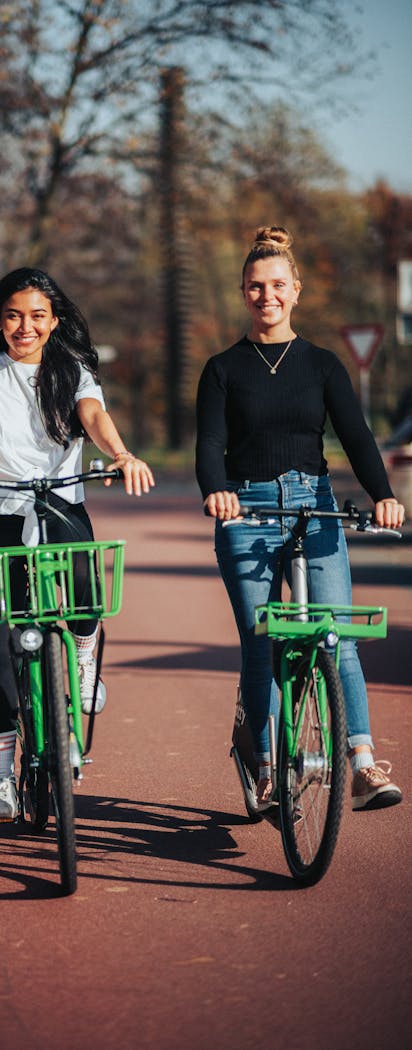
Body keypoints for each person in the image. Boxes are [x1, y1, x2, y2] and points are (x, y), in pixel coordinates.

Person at [0, 267, 154, 821]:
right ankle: (3, 779)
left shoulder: (71, 367)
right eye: (13, 316)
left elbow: (93, 415)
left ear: (54, 322)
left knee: (85, 593)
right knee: (1, 645)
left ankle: (82, 663)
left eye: (36, 316)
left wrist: (122, 454)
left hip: (61, 504)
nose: (23, 327)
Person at [195, 225, 404, 813]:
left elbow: (357, 438)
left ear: (297, 290)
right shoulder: (222, 369)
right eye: (256, 287)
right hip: (246, 510)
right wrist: (218, 492)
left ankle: (361, 764)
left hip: (314, 507)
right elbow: (210, 442)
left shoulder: (323, 364)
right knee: (262, 645)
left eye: (278, 285)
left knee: (336, 638)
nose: (268, 296)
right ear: (243, 293)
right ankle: (263, 765)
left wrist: (383, 494)